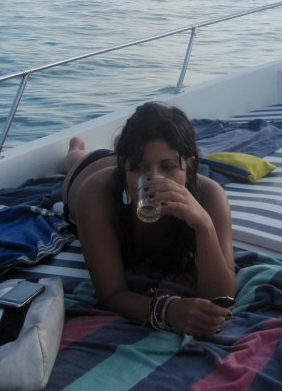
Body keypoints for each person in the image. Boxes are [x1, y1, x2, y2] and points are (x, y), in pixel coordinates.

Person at [61, 101, 235, 337]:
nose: (154, 180)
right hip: (87, 173)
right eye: (140, 167)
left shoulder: (210, 196)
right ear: (126, 169)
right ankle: (75, 149)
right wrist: (167, 311)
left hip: (119, 162)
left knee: (117, 157)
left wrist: (204, 226)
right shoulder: (96, 193)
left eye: (169, 167)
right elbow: (110, 293)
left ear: (190, 167)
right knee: (77, 160)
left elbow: (222, 297)